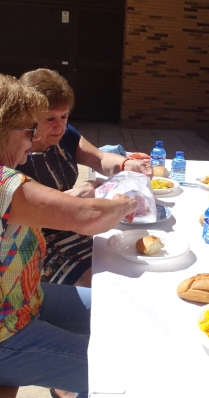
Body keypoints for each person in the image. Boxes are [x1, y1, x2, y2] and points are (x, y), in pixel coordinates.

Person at [0, 72, 137, 398]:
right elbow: (87, 217)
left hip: (17, 302)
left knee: (122, 309)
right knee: (117, 371)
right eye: (29, 129)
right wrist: (131, 199)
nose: (35, 137)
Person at [17, 68, 152, 286]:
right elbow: (48, 212)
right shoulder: (15, 152)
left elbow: (99, 159)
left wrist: (126, 164)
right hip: (36, 241)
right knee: (105, 280)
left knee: (130, 257)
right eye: (50, 118)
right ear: (28, 116)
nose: (59, 125)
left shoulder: (64, 134)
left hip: (72, 224)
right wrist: (85, 193)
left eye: (64, 116)